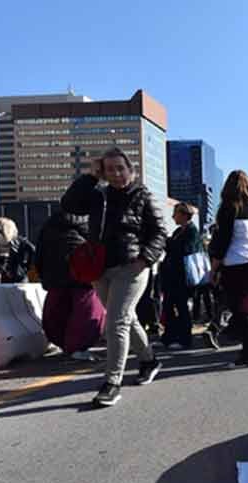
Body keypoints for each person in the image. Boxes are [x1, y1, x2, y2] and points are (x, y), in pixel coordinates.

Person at [61, 147, 167, 407]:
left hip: (132, 267)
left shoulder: (143, 196)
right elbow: (69, 204)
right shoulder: (99, 195)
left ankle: (112, 382)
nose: (116, 173)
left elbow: (160, 232)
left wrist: (144, 260)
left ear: (131, 170)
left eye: (121, 168)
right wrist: (91, 176)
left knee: (116, 322)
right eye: (110, 169)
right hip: (100, 268)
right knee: (126, 319)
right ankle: (149, 359)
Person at [209, 145, 248, 368]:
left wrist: (214, 268)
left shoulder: (228, 208)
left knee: (242, 310)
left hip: (238, 264)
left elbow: (222, 242)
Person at [35, 209, 105, 360]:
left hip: (55, 275)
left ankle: (65, 344)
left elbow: (39, 252)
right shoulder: (92, 222)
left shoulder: (49, 224)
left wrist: (43, 275)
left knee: (57, 311)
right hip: (83, 273)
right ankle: (78, 346)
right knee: (86, 310)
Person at [160, 203, 202, 350]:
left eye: (176, 213)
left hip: (183, 277)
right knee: (168, 307)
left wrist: (169, 242)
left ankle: (185, 339)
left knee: (182, 308)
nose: (173, 216)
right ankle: (168, 337)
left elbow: (186, 250)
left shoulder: (192, 231)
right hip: (172, 276)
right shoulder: (179, 230)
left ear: (184, 215)